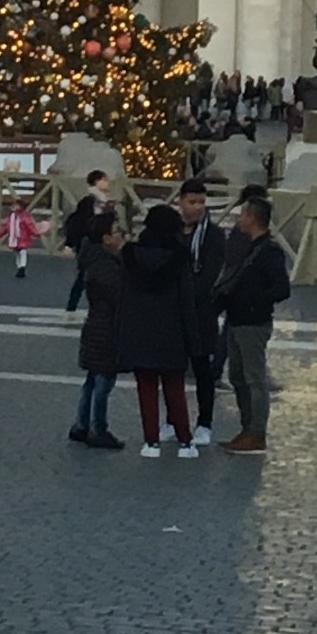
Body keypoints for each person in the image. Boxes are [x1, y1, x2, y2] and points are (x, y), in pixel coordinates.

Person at [117, 200, 202, 458]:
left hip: (140, 331)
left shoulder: (131, 256)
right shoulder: (179, 259)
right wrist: (194, 340)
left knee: (146, 388)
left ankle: (151, 441)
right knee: (174, 387)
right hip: (172, 331)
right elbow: (187, 301)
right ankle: (185, 440)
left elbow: (123, 298)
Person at [214, 194, 293, 453]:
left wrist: (250, 299)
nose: (239, 218)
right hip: (237, 320)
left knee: (254, 378)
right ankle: (247, 428)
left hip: (253, 322)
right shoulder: (250, 246)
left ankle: (257, 432)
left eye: (243, 214)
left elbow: (282, 288)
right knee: (238, 376)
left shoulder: (269, 251)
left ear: (253, 218)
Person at [174, 177, 228, 444]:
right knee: (172, 370)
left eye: (201, 202)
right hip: (173, 312)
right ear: (180, 201)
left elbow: (210, 275)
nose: (197, 207)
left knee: (203, 370)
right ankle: (173, 420)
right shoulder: (171, 230)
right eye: (192, 202)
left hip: (201, 311)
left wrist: (189, 297)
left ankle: (204, 422)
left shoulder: (214, 235)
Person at [68, 216, 126, 448]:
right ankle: (97, 428)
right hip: (106, 329)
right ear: (106, 238)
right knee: (103, 382)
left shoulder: (94, 261)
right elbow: (118, 297)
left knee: (92, 380)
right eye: (117, 231)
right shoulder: (107, 267)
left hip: (95, 327)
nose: (122, 235)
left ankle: (82, 424)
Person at [61, 171, 112, 314]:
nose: (108, 183)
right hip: (89, 243)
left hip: (103, 243)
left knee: (92, 275)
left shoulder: (105, 201)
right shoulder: (89, 202)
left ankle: (77, 307)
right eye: (104, 180)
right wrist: (70, 244)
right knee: (85, 276)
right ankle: (73, 307)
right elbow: (78, 223)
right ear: (97, 181)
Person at [0, 196, 42, 279]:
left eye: (16, 205)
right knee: (17, 253)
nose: (13, 207)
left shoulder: (24, 218)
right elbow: (4, 228)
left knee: (22, 252)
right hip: (15, 239)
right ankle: (19, 266)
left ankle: (22, 267)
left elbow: (30, 227)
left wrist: (36, 233)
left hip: (22, 238)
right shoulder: (11, 218)